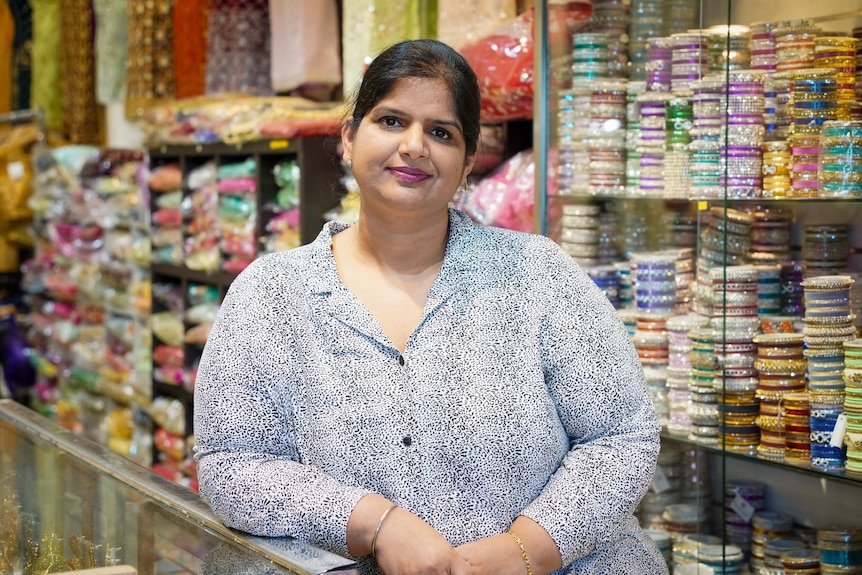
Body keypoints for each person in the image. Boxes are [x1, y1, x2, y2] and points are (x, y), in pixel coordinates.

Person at [193, 39, 667, 575]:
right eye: (391, 121)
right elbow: (231, 466)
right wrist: (374, 522)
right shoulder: (272, 294)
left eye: (441, 132)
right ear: (349, 139)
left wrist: (525, 551)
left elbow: (622, 433)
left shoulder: (538, 274)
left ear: (466, 164)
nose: (414, 146)